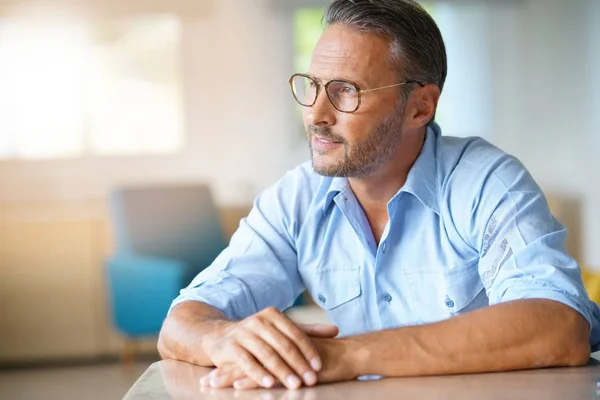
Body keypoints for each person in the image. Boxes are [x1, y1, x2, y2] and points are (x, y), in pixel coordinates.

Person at [157, 0, 600, 391]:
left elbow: (559, 327)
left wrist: (347, 355)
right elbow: (181, 323)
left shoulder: (486, 182)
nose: (315, 113)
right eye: (311, 86)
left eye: (345, 91)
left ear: (420, 106)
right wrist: (222, 338)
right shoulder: (296, 197)